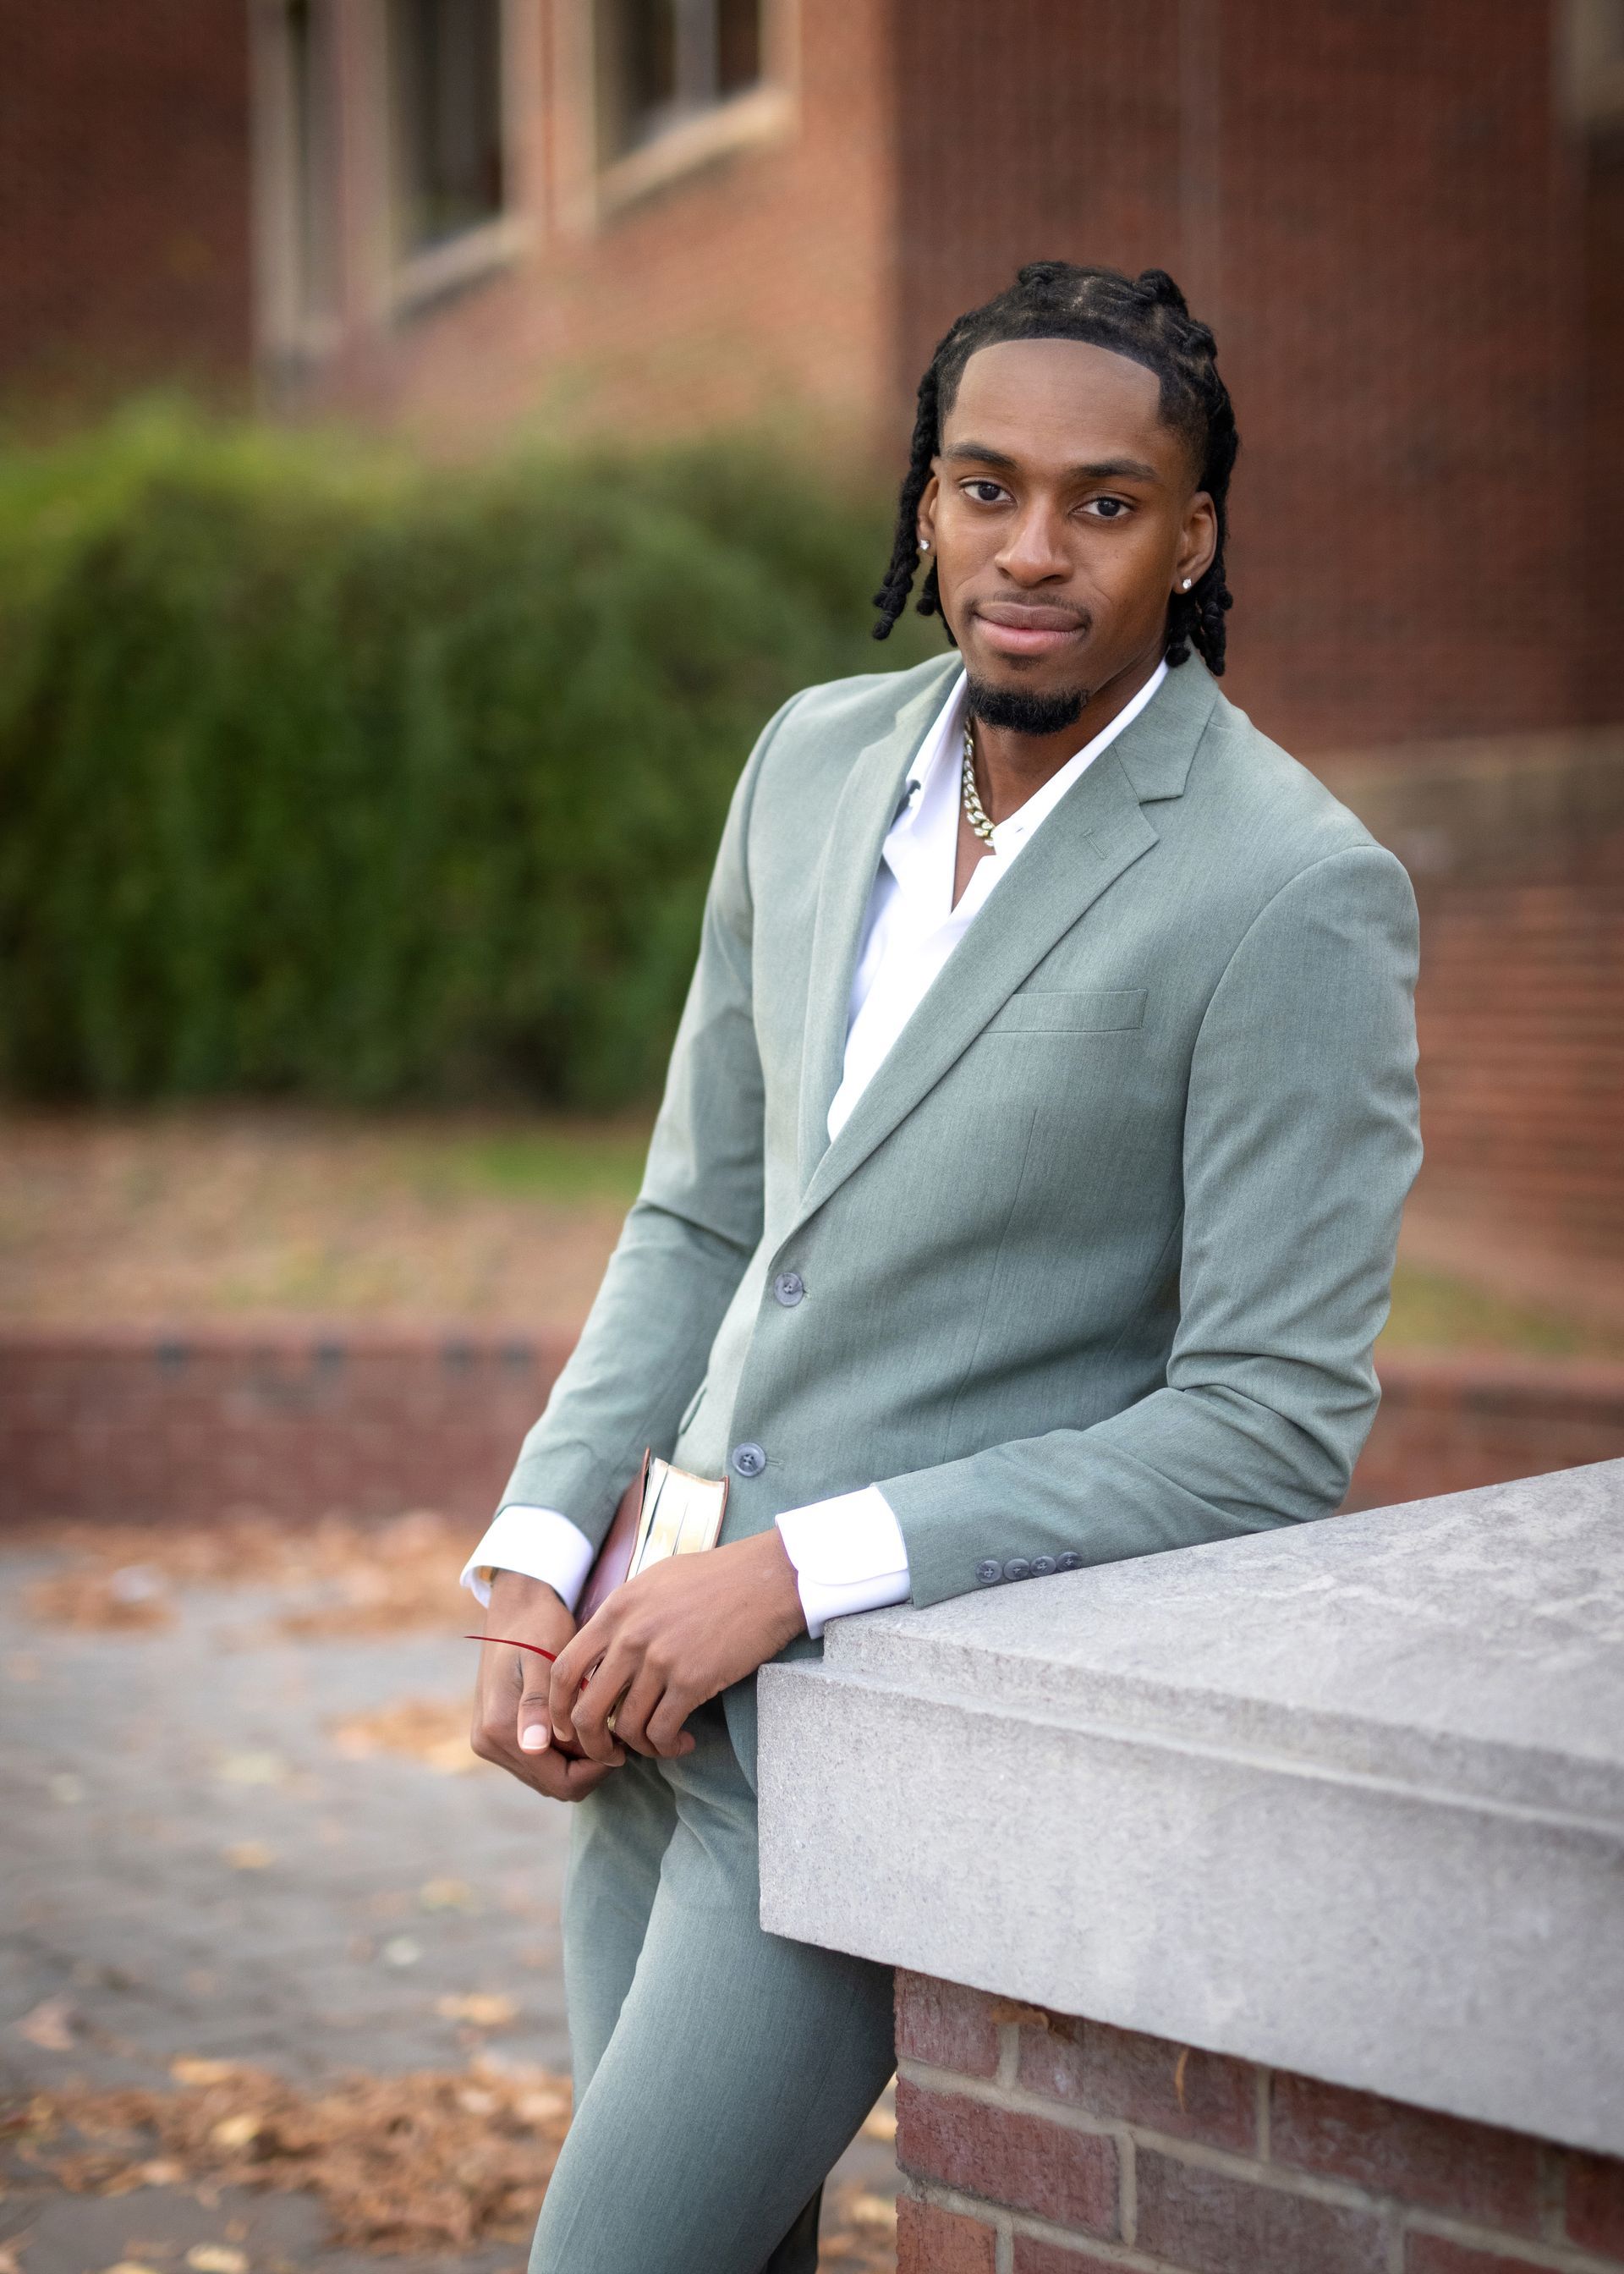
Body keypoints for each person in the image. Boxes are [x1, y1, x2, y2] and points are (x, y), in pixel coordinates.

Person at [460, 260, 1423, 2274]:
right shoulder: (811, 763)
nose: (1033, 550)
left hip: (868, 1727)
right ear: (924, 502)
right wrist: (545, 1556)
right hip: (639, 1698)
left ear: (1194, 532)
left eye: (1103, 500)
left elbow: (1269, 1426)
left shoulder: (1292, 890)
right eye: (985, 489)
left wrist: (798, 1572)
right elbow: (707, 1209)